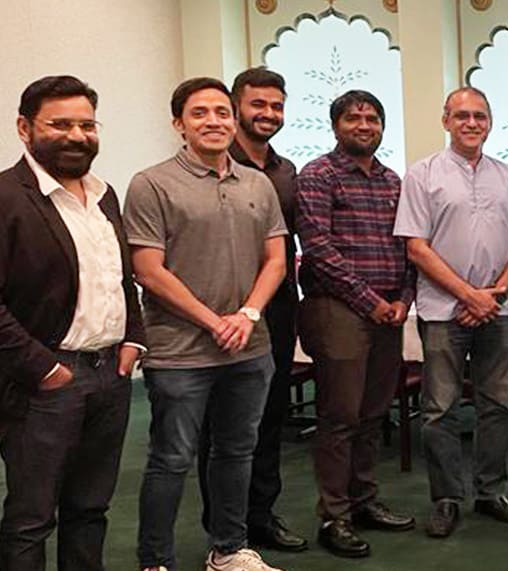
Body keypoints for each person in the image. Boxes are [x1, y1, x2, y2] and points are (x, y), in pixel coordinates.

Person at [125, 77, 288, 571]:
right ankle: (155, 560)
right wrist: (214, 321)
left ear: (233, 121)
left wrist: (247, 314)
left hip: (249, 347)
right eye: (199, 113)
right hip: (180, 353)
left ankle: (228, 549)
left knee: (237, 453)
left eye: (222, 112)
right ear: (179, 124)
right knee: (171, 459)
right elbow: (148, 270)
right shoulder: (151, 184)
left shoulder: (257, 183)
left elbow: (276, 260)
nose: (213, 121)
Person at [0, 75, 145, 571]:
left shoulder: (104, 196)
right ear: (24, 128)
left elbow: (120, 276)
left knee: (90, 509)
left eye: (87, 125)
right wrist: (44, 369)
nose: (77, 136)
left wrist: (134, 339)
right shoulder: (6, 197)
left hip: (110, 377)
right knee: (31, 518)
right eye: (59, 125)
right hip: (43, 383)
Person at [395, 87, 508, 538]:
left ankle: (491, 491)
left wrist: (494, 294)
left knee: (499, 406)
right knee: (439, 409)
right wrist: (468, 296)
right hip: (442, 311)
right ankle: (447, 497)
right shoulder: (422, 175)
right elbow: (416, 247)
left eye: (479, 116)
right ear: (446, 121)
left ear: (489, 123)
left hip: (499, 310)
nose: (471, 123)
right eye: (462, 116)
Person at [296, 89, 418, 557]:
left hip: (389, 311)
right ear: (335, 126)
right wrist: (370, 302)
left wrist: (403, 299)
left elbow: (409, 244)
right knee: (341, 416)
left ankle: (365, 500)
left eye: (372, 118)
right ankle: (335, 515)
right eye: (353, 118)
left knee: (373, 413)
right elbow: (319, 249)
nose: (364, 126)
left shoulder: (392, 181)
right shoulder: (318, 176)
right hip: (339, 310)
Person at [193, 66, 308, 553]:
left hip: (275, 311)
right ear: (237, 107)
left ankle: (261, 515)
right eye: (257, 104)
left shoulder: (285, 171)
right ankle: (225, 528)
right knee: (221, 427)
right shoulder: (211, 164)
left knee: (269, 417)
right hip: (219, 314)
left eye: (276, 106)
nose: (268, 113)